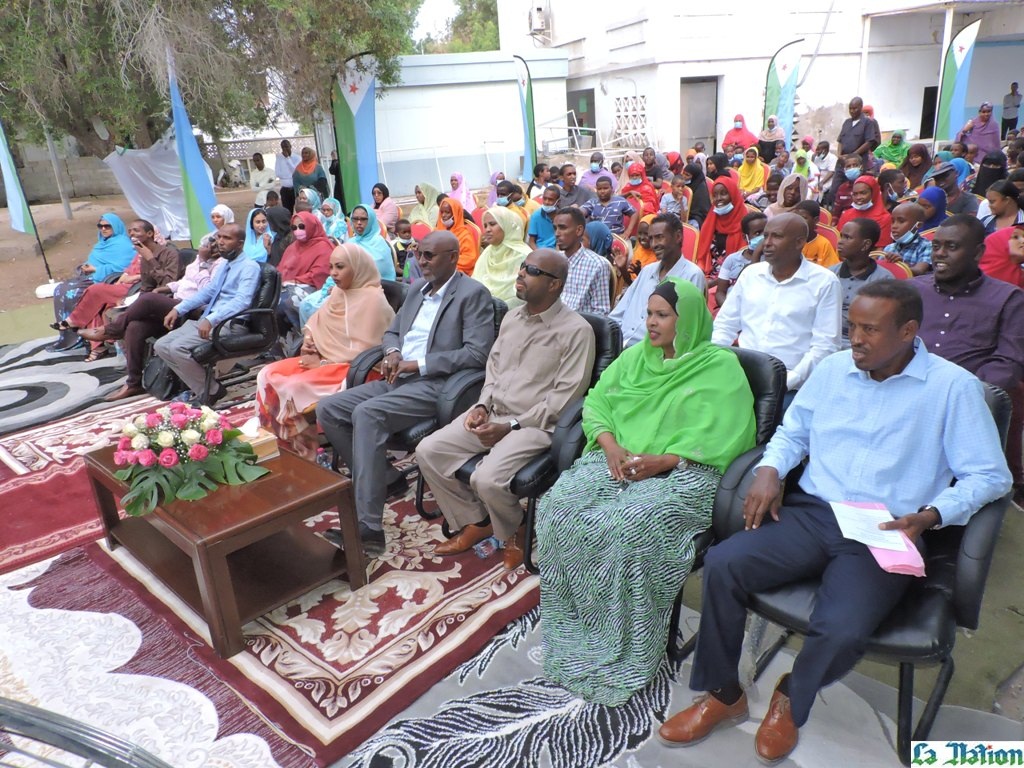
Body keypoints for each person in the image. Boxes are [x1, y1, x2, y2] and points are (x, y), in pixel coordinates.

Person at [662, 278, 1011, 764]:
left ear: (908, 330)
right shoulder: (832, 370)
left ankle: (793, 693)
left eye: (870, 329)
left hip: (888, 529)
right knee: (723, 564)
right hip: (813, 512)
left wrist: (932, 515)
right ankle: (724, 694)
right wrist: (769, 469)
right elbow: (792, 432)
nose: (856, 340)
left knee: (843, 627)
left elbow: (990, 477)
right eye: (851, 327)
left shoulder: (954, 390)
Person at [538, 277, 756, 706]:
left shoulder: (719, 367)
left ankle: (627, 641)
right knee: (558, 506)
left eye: (662, 316)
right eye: (649, 314)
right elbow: (598, 403)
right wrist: (612, 446)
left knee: (626, 526)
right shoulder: (637, 358)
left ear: (687, 320)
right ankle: (580, 622)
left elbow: (729, 437)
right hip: (621, 459)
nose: (651, 324)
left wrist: (665, 460)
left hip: (687, 471)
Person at [317, 231, 496, 555]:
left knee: (367, 413)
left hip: (439, 385)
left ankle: (368, 528)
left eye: (430, 255)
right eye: (419, 254)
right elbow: (392, 332)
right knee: (328, 409)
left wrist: (420, 364)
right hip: (398, 378)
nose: (421, 261)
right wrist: (393, 352)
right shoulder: (416, 290)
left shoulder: (473, 294)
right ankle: (385, 477)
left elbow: (477, 354)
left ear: (453, 256)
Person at [418, 249, 596, 568]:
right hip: (493, 413)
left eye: (532, 270)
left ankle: (517, 527)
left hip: (534, 425)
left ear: (555, 284)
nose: (521, 274)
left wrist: (510, 425)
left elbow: (564, 399)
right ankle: (480, 520)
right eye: (522, 267)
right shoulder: (513, 317)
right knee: (428, 450)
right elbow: (494, 369)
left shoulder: (576, 331)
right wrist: (482, 406)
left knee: (486, 479)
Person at [916, 215, 1024, 498]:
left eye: (951, 246)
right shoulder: (913, 291)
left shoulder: (1008, 299)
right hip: (905, 396)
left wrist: (954, 393)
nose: (939, 253)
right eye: (936, 245)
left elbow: (1008, 365)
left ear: (977, 252)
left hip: (969, 408)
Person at [256, 244, 395, 459]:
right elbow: (317, 320)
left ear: (358, 268)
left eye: (340, 267)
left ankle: (307, 451)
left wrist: (321, 364)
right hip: (324, 359)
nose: (333, 273)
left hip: (359, 370)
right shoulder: (340, 292)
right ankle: (283, 442)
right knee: (267, 374)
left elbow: (365, 351)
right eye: (331, 267)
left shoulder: (373, 300)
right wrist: (310, 344)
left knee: (294, 386)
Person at [713, 213, 842, 399]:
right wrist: (717, 363)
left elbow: (825, 346)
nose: (767, 243)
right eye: (765, 236)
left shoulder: (824, 282)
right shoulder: (751, 274)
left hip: (792, 384)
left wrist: (788, 381)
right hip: (741, 374)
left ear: (799, 242)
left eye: (777, 236)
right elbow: (725, 326)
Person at [82, 240, 223, 401]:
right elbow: (184, 282)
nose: (206, 248)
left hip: (196, 310)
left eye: (212, 245)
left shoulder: (220, 264)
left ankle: (111, 331)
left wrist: (204, 265)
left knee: (149, 300)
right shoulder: (198, 259)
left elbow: (209, 291)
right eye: (205, 244)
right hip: (177, 304)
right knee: (135, 327)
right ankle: (133, 382)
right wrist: (166, 288)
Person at [154, 224, 261, 405]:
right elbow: (208, 291)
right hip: (210, 319)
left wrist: (212, 319)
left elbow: (242, 301)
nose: (220, 242)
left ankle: (208, 391)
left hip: (230, 324)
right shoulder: (226, 264)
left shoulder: (249, 267)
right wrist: (178, 309)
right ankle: (209, 388)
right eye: (219, 237)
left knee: (177, 348)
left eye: (227, 238)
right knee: (161, 345)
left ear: (240, 244)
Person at [64, 219, 183, 361]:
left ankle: (108, 331)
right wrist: (131, 301)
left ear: (150, 233)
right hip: (141, 296)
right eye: (130, 231)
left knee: (101, 292)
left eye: (136, 231)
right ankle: (134, 380)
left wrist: (150, 259)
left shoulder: (169, 254)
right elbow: (146, 286)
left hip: (166, 301)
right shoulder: (141, 254)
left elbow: (168, 285)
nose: (132, 234)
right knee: (130, 324)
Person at [611, 213, 707, 345]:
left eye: (659, 237)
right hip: (620, 344)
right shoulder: (647, 271)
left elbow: (686, 328)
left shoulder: (692, 275)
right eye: (651, 239)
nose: (654, 244)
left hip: (651, 352)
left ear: (678, 236)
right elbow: (618, 313)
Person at [50, 212, 137, 350]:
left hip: (108, 279)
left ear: (115, 226)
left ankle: (80, 336)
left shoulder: (124, 245)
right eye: (100, 226)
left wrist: (96, 269)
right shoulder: (101, 244)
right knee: (60, 289)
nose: (103, 229)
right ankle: (67, 336)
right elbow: (93, 261)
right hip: (91, 277)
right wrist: (85, 267)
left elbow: (122, 268)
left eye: (107, 226)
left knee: (71, 293)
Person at [831, 218, 892, 348]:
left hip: (863, 343)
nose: (840, 242)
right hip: (827, 338)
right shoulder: (830, 274)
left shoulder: (884, 280)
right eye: (841, 236)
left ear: (865, 245)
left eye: (847, 238)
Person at [276, 211, 334, 337]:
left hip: (313, 287)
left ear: (311, 226)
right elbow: (281, 268)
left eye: (302, 227)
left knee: (286, 301)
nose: (298, 231)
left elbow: (320, 274)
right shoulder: (293, 247)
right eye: (294, 228)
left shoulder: (324, 247)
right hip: (288, 285)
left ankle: (300, 335)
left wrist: (295, 281)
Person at [553, 207, 611, 315]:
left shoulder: (597, 265)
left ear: (579, 230)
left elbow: (601, 311)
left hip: (577, 327)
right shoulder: (554, 260)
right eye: (555, 228)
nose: (557, 233)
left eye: (562, 228)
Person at [473, 206, 533, 309]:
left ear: (506, 225)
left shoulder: (524, 255)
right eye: (485, 225)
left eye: (492, 224)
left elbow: (524, 296)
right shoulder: (487, 253)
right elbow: (475, 285)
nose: (487, 230)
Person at [696, 175, 749, 286]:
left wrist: (712, 284)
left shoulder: (745, 223)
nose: (718, 198)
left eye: (723, 193)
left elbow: (742, 265)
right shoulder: (711, 219)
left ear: (733, 195)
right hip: (707, 275)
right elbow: (701, 257)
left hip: (733, 280)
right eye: (715, 195)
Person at [716, 212, 767, 306]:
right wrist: (728, 311)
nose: (763, 237)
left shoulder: (773, 261)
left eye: (766, 232)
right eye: (758, 233)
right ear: (745, 237)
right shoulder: (732, 259)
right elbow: (720, 292)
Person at [836, 175, 894, 247]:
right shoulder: (847, 214)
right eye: (855, 194)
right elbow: (838, 241)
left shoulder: (885, 218)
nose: (858, 198)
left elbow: (881, 249)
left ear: (873, 193)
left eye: (863, 193)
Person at [883, 201, 933, 275]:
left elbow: (920, 270)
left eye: (901, 221)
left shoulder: (926, 246)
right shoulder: (889, 248)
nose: (894, 226)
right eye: (893, 221)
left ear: (918, 225)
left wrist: (901, 265)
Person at [436, 197, 479, 275]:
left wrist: (446, 262)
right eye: (441, 212)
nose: (443, 215)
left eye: (447, 212)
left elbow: (470, 259)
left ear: (456, 213)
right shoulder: (436, 231)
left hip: (457, 271)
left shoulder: (464, 234)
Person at [793, 200, 838, 268]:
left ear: (816, 220)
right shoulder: (790, 241)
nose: (799, 221)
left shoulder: (824, 244)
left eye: (804, 218)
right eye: (796, 217)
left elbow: (832, 270)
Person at [528, 185, 561, 249]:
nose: (546, 202)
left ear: (558, 202)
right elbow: (531, 242)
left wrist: (557, 255)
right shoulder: (536, 216)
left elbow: (560, 242)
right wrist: (539, 254)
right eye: (545, 198)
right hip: (539, 250)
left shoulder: (562, 217)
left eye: (550, 200)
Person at [276, 140, 301, 211]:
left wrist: (288, 159)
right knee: (287, 210)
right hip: (285, 189)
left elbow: (295, 171)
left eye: (286, 147)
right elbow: (277, 173)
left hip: (295, 189)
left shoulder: (297, 158)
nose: (285, 149)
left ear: (290, 146)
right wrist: (288, 176)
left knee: (298, 209)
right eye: (283, 147)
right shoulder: (279, 158)